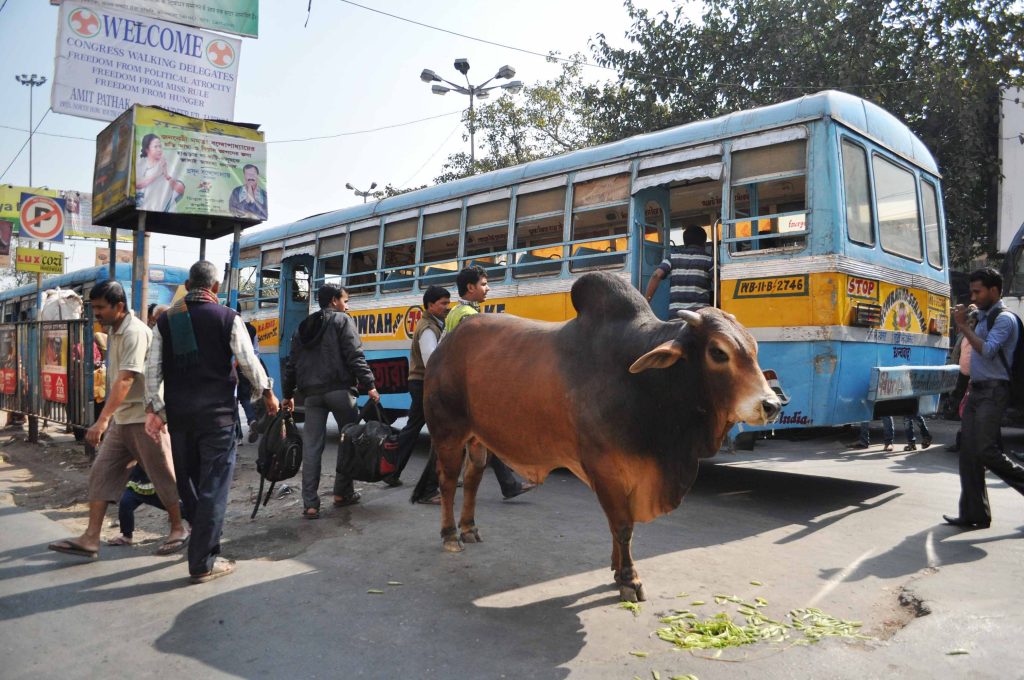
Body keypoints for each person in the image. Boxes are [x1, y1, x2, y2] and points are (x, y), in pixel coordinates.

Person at [144, 261, 278, 583]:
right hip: (217, 418)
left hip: (180, 418)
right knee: (214, 488)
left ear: (189, 284)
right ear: (215, 287)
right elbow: (248, 362)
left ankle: (200, 538)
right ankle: (203, 562)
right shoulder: (228, 317)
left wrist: (157, 410)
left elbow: (152, 372)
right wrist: (267, 393)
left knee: (189, 482)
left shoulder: (165, 321)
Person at [48, 281, 188, 559]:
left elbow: (126, 379)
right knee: (101, 473)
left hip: (145, 418)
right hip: (124, 420)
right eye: (94, 307)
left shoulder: (135, 332)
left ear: (119, 306)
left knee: (162, 474)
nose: (96, 313)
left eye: (100, 307)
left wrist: (101, 421)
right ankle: (91, 537)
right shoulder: (114, 332)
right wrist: (110, 421)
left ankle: (179, 527)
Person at [281, 284, 379, 519]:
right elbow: (355, 355)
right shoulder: (342, 321)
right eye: (346, 300)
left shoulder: (303, 326)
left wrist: (287, 395)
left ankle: (311, 504)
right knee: (350, 442)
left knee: (312, 448)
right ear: (334, 301)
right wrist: (371, 385)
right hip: (339, 391)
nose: (347, 305)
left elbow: (291, 364)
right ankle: (341, 494)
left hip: (312, 395)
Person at [438, 266, 535, 500]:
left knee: (481, 439)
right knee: (482, 437)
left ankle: (509, 484)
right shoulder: (470, 317)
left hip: (459, 385)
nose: (487, 288)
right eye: (483, 284)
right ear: (470, 288)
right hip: (469, 389)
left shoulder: (455, 312)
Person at [944, 267, 1024, 530]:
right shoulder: (980, 316)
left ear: (994, 290)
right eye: (972, 291)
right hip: (977, 390)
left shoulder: (1005, 319)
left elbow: (988, 350)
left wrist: (965, 326)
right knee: (968, 455)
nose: (974, 296)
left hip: (994, 392)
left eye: (978, 291)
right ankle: (974, 514)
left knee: (987, 451)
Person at [386, 286, 450, 493]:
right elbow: (431, 360)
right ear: (431, 305)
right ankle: (393, 471)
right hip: (424, 382)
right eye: (443, 303)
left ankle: (393, 471)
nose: (447, 307)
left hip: (423, 382)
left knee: (417, 428)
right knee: (423, 429)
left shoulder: (436, 324)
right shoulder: (428, 328)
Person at [643, 224, 713, 313]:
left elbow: (656, 275)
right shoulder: (710, 260)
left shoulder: (672, 257)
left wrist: (646, 302)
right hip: (699, 316)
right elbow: (717, 284)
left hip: (676, 315)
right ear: (704, 242)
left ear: (684, 242)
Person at [107, 464, 175, 547]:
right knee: (125, 503)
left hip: (158, 485)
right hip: (137, 483)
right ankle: (127, 536)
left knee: (176, 508)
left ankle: (192, 525)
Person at [135, 134, 185, 212]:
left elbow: (180, 189)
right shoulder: (141, 164)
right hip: (143, 210)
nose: (159, 149)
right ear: (147, 149)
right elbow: (138, 184)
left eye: (160, 146)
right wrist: (158, 173)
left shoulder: (168, 165)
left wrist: (166, 175)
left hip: (166, 212)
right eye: (155, 147)